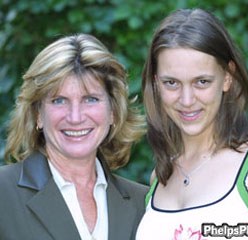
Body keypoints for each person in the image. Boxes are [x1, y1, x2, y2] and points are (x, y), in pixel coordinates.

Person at [136, 8, 248, 240]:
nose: (186, 100)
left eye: (202, 82)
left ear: (227, 77)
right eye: (171, 83)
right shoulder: (160, 177)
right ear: (156, 83)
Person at [0, 33, 148, 240]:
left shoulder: (143, 203)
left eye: (90, 99)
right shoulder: (3, 194)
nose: (75, 117)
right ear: (38, 114)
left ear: (113, 111)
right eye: (59, 101)